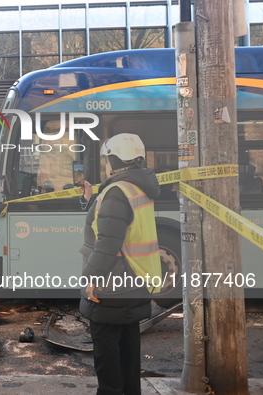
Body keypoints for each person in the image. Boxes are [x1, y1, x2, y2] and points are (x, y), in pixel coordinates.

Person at [78, 133, 162, 395]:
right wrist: (91, 199)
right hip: (136, 278)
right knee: (128, 349)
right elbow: (114, 223)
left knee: (107, 355)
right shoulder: (136, 187)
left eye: (106, 159)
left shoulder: (117, 192)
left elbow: (107, 242)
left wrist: (91, 278)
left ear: (113, 161)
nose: (105, 165)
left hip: (113, 283)